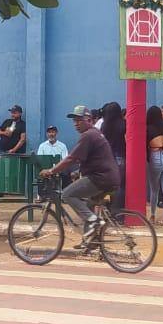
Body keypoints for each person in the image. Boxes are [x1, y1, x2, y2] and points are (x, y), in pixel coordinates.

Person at [39, 105, 120, 245]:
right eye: (74, 121)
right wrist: (77, 172)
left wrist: (51, 171)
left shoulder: (88, 135)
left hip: (100, 178)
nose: (76, 123)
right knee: (89, 204)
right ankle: (90, 241)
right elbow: (89, 159)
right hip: (109, 177)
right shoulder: (95, 133)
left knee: (67, 194)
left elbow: (71, 158)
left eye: (79, 120)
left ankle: (94, 221)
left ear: (89, 120)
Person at [98, 101, 126, 215]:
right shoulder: (124, 124)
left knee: (110, 186)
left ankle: (108, 212)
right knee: (121, 186)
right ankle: (119, 213)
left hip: (107, 158)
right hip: (121, 156)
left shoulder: (104, 125)